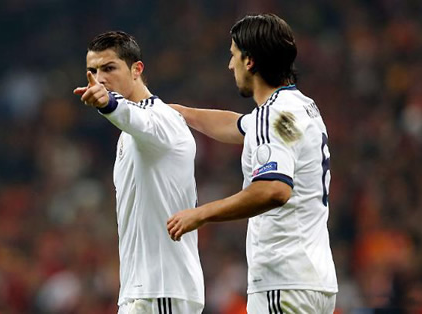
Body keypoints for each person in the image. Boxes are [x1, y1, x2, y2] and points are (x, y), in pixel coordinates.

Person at [167, 14, 338, 313]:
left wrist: (201, 214)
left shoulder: (272, 115)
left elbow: (274, 190)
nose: (229, 65)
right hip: (314, 282)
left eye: (233, 55)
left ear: (249, 61)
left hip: (281, 281)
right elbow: (237, 126)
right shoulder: (300, 107)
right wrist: (180, 113)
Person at [74, 31, 204, 314]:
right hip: (144, 291)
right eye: (93, 71)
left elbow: (135, 117)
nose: (100, 79)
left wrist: (107, 104)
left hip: (163, 290)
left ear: (137, 70)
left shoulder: (161, 118)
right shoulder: (129, 134)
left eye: (109, 68)